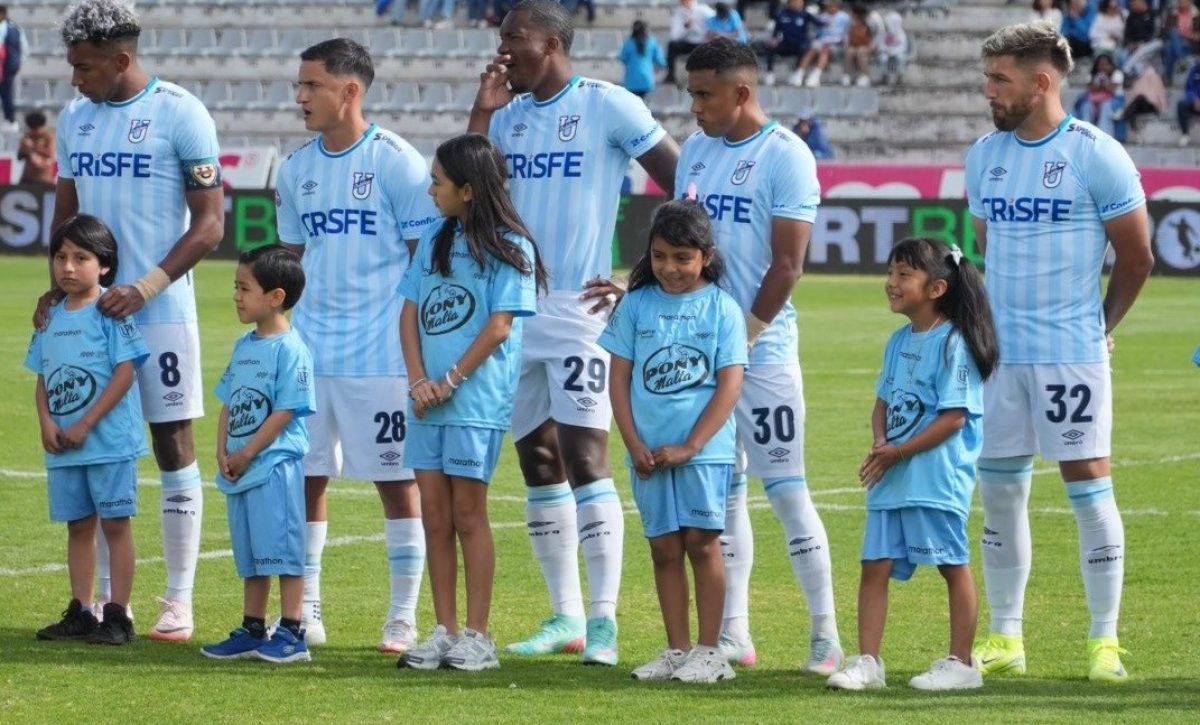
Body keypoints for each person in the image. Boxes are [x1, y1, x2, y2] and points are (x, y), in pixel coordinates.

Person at [468, 0, 679, 665]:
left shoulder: (609, 105)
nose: (504, 52)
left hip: (580, 313)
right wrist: (482, 111)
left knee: (588, 457)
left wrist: (643, 274)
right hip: (513, 312)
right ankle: (565, 615)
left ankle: (606, 624)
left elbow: (683, 184)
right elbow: (466, 193)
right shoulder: (506, 118)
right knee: (536, 460)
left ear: (554, 43)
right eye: (501, 40)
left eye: (515, 40)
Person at [967, 22, 1154, 683]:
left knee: (1088, 487)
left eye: (1000, 81)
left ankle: (1103, 641)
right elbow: (987, 243)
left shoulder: (1095, 154)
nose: (988, 91)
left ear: (1041, 82)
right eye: (988, 78)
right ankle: (1006, 635)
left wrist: (1099, 325)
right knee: (1000, 494)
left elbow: (1137, 257)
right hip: (999, 356)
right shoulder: (983, 154)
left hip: (1070, 352)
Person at [37, 0, 224, 643]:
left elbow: (210, 225)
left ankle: (178, 600)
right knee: (85, 444)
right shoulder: (74, 118)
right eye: (70, 67)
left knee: (172, 443)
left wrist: (145, 287)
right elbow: (66, 219)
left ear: (121, 60)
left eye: (84, 67)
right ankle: (92, 605)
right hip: (90, 319)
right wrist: (54, 292)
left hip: (161, 311)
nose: (74, 80)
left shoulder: (180, 112)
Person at [678, 38, 842, 674]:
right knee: (721, 496)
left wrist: (743, 335)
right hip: (700, 354)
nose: (693, 106)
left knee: (787, 491)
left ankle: (825, 635)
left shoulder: (786, 155)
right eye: (691, 92)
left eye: (704, 94)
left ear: (742, 92)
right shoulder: (695, 151)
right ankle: (733, 634)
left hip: (763, 350)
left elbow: (788, 263)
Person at [276, 38, 440, 653]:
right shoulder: (295, 169)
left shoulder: (398, 162)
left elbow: (427, 259)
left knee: (398, 485)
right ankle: (306, 610)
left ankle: (401, 616)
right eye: (299, 85)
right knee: (304, 480)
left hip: (380, 359)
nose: (300, 97)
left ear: (350, 91)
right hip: (311, 357)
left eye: (311, 85)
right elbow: (293, 261)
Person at [825, 238, 998, 692]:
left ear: (937, 287)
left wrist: (898, 452)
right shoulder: (898, 340)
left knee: (951, 564)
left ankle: (961, 664)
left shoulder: (954, 344)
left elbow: (954, 417)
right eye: (891, 272)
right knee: (874, 564)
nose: (891, 283)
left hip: (934, 478)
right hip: (893, 473)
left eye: (904, 275)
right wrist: (882, 444)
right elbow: (882, 402)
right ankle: (868, 663)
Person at [397, 134, 543, 672]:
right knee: (433, 516)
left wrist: (449, 381)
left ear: (467, 188)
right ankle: (444, 630)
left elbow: (499, 328)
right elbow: (408, 313)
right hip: (427, 402)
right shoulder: (436, 236)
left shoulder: (512, 247)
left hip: (473, 401)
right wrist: (418, 381)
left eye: (437, 181)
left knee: (467, 515)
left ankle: (478, 636)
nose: (430, 189)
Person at [601, 199, 746, 684]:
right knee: (663, 548)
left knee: (702, 545)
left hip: (704, 453)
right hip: (647, 453)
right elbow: (617, 377)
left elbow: (729, 385)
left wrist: (693, 445)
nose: (670, 268)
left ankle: (710, 652)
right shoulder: (636, 304)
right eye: (660, 256)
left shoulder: (723, 308)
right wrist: (632, 441)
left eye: (682, 258)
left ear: (704, 256)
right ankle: (677, 649)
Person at [28, 215, 149, 647]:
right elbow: (42, 377)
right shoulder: (49, 316)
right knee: (78, 526)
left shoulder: (110, 312)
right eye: (61, 256)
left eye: (82, 257)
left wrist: (86, 421)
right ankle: (81, 610)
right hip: (63, 447)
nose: (68, 266)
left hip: (108, 442)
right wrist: (46, 422)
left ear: (104, 267)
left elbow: (125, 374)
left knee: (116, 524)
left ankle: (118, 615)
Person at [200, 246, 316, 664]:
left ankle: (291, 632)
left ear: (276, 297)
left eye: (244, 288)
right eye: (236, 287)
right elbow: (229, 402)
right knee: (250, 556)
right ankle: (252, 628)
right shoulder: (243, 345)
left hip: (273, 468)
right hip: (241, 469)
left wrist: (248, 452)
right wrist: (222, 451)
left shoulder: (291, 349)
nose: (236, 296)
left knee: (282, 551)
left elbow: (286, 411)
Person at [760, 0, 820, 87]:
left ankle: (796, 73)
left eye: (800, 2)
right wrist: (774, 40)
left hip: (800, 45)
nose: (798, 4)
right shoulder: (781, 15)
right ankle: (769, 73)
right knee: (770, 47)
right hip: (786, 44)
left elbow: (819, 23)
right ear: (789, 3)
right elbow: (776, 32)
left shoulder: (805, 14)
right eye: (796, 2)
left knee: (806, 49)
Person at [796, 0, 850, 87]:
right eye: (828, 5)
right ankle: (799, 73)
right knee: (811, 50)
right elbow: (818, 33)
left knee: (825, 51)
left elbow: (847, 34)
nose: (829, 7)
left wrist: (841, 43)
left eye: (832, 5)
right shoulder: (822, 16)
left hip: (837, 44)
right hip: (823, 42)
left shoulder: (844, 17)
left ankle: (816, 75)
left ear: (837, 6)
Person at [666, 0, 717, 85]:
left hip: (702, 42)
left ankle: (710, 75)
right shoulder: (679, 13)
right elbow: (674, 36)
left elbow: (716, 21)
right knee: (672, 45)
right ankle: (670, 74)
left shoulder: (703, 10)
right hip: (688, 42)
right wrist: (686, 27)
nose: (684, 3)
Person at [1074, 53, 1123, 135]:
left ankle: (1103, 134)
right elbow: (1091, 89)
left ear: (1111, 65)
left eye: (1106, 64)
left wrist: (1104, 81)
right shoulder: (1092, 74)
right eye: (1100, 64)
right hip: (1094, 99)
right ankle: (1085, 133)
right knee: (1086, 106)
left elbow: (1112, 90)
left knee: (1105, 106)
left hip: (1114, 100)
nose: (1103, 67)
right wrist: (1098, 81)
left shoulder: (1117, 73)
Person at [620, 20, 667, 98]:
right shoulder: (652, 42)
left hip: (631, 80)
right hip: (647, 79)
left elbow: (623, 58)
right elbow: (660, 61)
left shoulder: (628, 42)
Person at [0, 5, 24, 132]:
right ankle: (9, 120)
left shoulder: (8, 28)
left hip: (6, 66)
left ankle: (11, 120)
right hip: (7, 64)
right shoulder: (14, 27)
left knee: (6, 94)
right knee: (6, 94)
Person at [1162, 0, 1196, 86]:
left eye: (1184, 1)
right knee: (1171, 39)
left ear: (1190, 2)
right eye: (1180, 1)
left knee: (1171, 43)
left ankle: (1168, 77)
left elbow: (1197, 35)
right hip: (1175, 42)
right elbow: (1165, 32)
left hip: (1190, 44)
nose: (1181, 3)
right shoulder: (1173, 15)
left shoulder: (1196, 16)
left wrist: (1186, 35)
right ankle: (1181, 60)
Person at [17, 110, 54, 184]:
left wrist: (33, 147)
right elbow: (19, 157)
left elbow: (50, 154)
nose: (34, 131)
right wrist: (23, 148)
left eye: (36, 129)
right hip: (27, 178)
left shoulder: (48, 137)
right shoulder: (27, 136)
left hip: (43, 178)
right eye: (32, 129)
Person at [842, 3, 874, 87]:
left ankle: (866, 75)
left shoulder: (871, 21)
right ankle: (846, 75)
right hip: (854, 45)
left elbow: (877, 36)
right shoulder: (851, 22)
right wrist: (848, 44)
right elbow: (847, 35)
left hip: (869, 46)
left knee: (860, 52)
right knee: (849, 52)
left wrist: (871, 47)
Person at [1178, 59, 1200, 145]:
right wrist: (1194, 99)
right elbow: (1189, 88)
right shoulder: (1195, 70)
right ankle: (1185, 135)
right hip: (1196, 103)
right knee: (1182, 105)